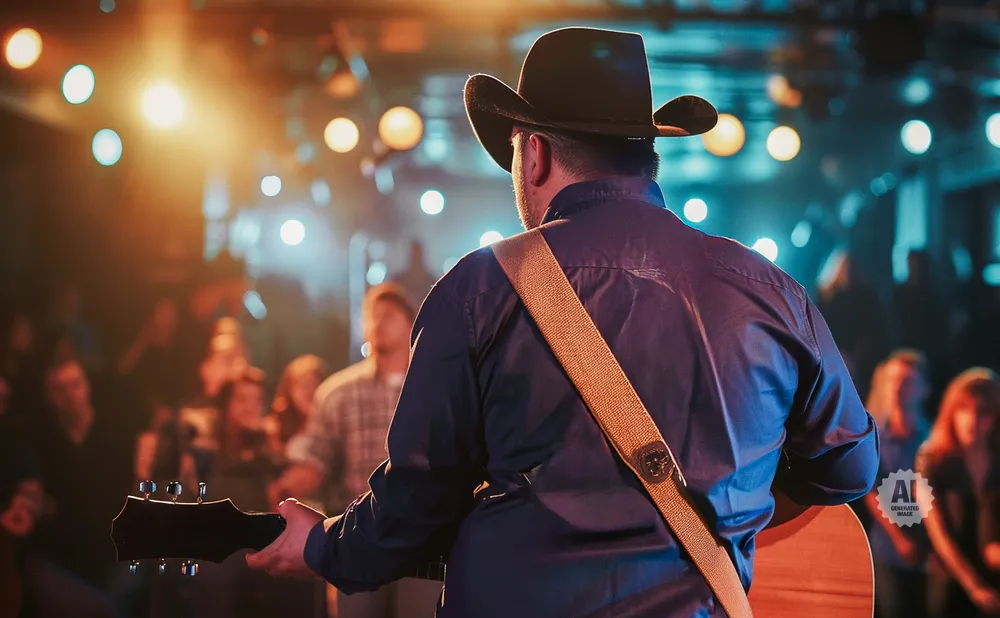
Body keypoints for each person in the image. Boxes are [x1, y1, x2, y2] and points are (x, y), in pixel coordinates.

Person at [248, 27, 879, 617]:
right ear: (647, 155)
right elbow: (850, 467)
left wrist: (322, 546)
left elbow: (418, 496)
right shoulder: (769, 291)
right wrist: (739, 487)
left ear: (537, 154)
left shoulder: (479, 288)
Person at [267, 283, 427, 618]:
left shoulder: (433, 383)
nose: (378, 323)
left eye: (388, 316)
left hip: (424, 534)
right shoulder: (338, 391)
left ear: (412, 323)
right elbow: (316, 458)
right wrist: (286, 488)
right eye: (372, 317)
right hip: (355, 533)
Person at [916, 368, 1000, 617]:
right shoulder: (931, 460)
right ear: (951, 411)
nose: (972, 420)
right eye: (964, 409)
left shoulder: (997, 460)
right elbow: (938, 534)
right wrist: (974, 586)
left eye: (982, 412)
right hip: (951, 581)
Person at [862, 350, 931, 618]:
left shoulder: (933, 440)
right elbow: (870, 490)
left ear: (924, 389)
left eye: (907, 380)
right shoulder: (873, 437)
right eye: (892, 379)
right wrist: (900, 539)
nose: (897, 387)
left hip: (931, 555)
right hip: (889, 553)